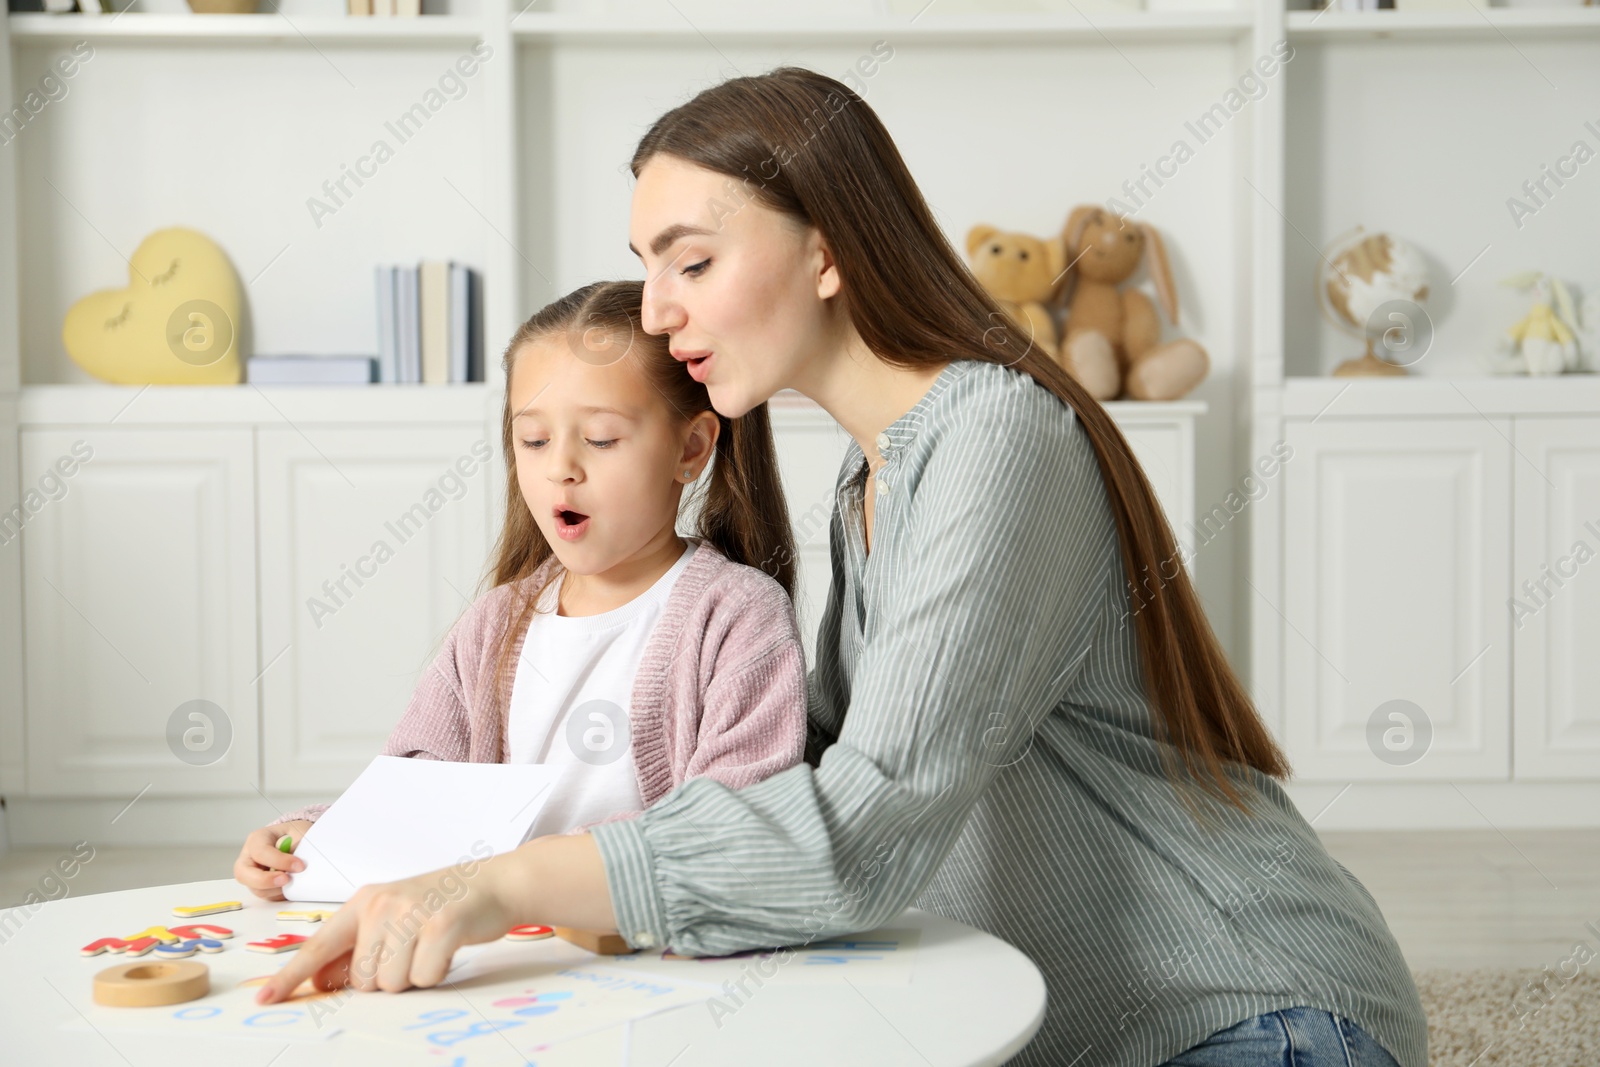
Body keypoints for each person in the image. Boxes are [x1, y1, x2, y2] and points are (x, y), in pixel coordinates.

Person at [256, 68, 1428, 1067]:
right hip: (1075, 1027)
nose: (657, 313)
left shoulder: (996, 440)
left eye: (692, 263)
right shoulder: (869, 480)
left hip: (1243, 1009)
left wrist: (504, 885)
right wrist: (384, 845)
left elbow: (863, 828)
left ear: (824, 250)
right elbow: (785, 794)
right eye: (645, 268)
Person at [234, 280, 808, 902]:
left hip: (643, 945)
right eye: (533, 440)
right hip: (502, 947)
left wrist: (537, 870)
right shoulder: (494, 623)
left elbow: (736, 817)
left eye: (602, 439)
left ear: (691, 448)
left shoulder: (738, 618)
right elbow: (419, 790)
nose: (561, 467)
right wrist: (315, 834)